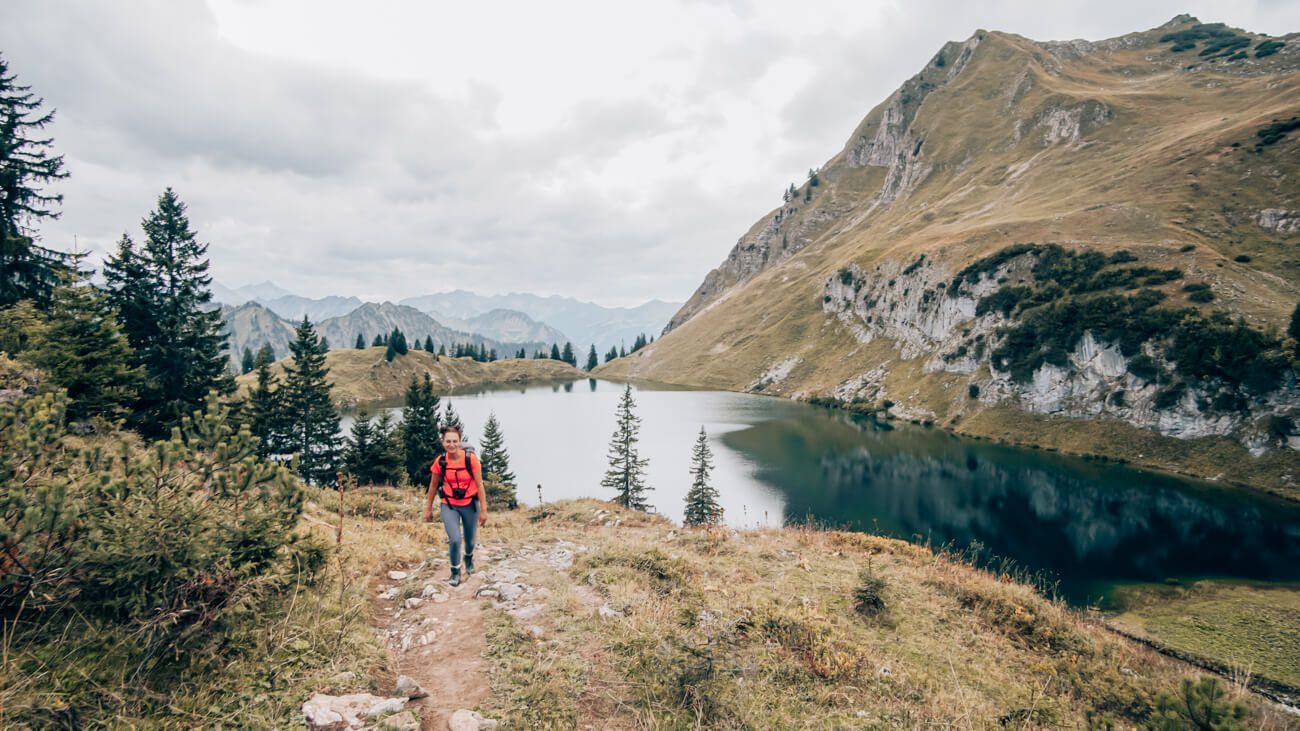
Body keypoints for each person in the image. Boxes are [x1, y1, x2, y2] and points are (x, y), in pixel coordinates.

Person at [424, 424, 487, 586]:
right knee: (455, 539)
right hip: (449, 504)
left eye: (454, 441)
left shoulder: (470, 459)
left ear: (460, 441)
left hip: (470, 504)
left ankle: (468, 558)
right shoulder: (440, 461)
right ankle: (455, 572)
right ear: (443, 442)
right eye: (448, 441)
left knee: (470, 540)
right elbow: (433, 486)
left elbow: (480, 485)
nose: (451, 445)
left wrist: (484, 510)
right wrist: (428, 509)